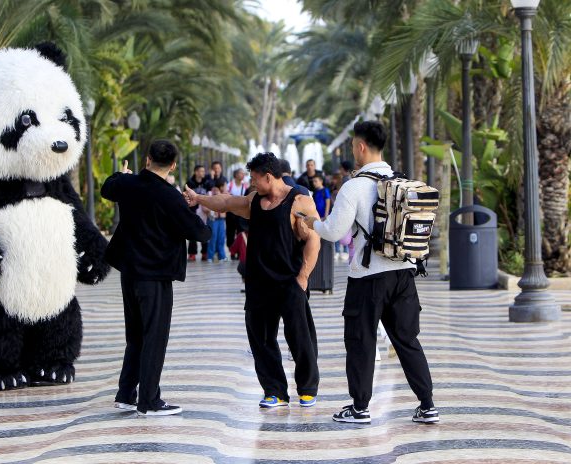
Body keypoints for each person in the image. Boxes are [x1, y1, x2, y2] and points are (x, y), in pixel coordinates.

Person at [301, 121, 438, 425]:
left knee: (361, 341)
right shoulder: (401, 180)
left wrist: (312, 224)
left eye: (353, 146)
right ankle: (427, 405)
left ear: (361, 147)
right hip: (403, 273)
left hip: (368, 277)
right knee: (407, 340)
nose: (353, 151)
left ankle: (360, 408)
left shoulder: (354, 187)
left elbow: (334, 231)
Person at [184, 152, 321, 409]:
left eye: (255, 179)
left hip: (289, 281)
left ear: (268, 177)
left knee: (300, 336)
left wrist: (303, 277)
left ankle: (307, 389)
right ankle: (275, 391)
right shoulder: (254, 201)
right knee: (261, 339)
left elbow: (314, 239)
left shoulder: (299, 201)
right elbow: (226, 202)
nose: (252, 183)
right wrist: (199, 198)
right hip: (259, 282)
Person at [101, 140, 211, 416]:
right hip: (155, 276)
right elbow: (200, 233)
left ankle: (126, 394)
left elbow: (107, 187)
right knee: (154, 337)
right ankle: (149, 401)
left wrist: (122, 174)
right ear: (173, 165)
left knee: (136, 336)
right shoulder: (170, 196)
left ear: (148, 159)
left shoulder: (128, 184)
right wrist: (192, 206)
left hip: (130, 273)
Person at [186, 165, 209, 261]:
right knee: (193, 231)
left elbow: (211, 193)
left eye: (204, 171)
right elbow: (186, 195)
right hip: (193, 211)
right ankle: (192, 253)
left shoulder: (207, 182)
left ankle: (205, 253)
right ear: (196, 172)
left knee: (204, 230)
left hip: (204, 211)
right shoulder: (190, 183)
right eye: (201, 171)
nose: (203, 173)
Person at [203, 178, 228, 262]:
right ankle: (210, 256)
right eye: (225, 185)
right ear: (221, 186)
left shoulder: (224, 194)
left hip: (221, 219)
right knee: (213, 238)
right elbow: (204, 207)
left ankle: (222, 256)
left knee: (221, 238)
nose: (226, 187)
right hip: (213, 219)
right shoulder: (209, 194)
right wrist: (212, 210)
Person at [226, 168, 248, 257]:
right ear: (235, 175)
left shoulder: (245, 186)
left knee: (241, 231)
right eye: (240, 173)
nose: (242, 175)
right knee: (230, 232)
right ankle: (231, 251)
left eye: (243, 173)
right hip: (231, 211)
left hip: (241, 212)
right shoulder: (230, 185)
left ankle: (240, 251)